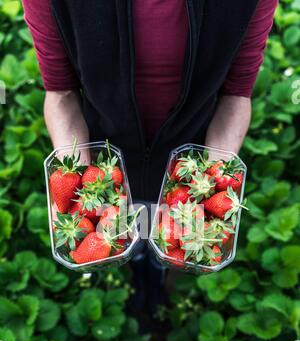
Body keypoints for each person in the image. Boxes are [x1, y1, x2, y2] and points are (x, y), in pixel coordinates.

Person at [22, 0, 278, 314]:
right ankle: (132, 279)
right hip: (102, 164)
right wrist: (76, 186)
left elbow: (235, 94)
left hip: (189, 171)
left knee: (169, 251)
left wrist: (213, 182)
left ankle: (161, 285)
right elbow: (61, 92)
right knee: (124, 245)